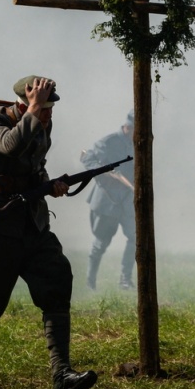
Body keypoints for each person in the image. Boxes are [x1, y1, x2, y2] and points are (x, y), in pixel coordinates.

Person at [0, 76, 97, 389]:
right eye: (43, 109)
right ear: (24, 105)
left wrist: (50, 185)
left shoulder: (40, 125)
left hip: (31, 221)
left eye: (50, 110)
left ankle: (62, 374)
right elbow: (11, 145)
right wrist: (34, 111)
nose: (48, 117)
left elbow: (32, 166)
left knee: (56, 280)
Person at [82, 111, 135, 291]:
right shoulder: (109, 141)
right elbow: (88, 158)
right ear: (128, 127)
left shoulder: (141, 143)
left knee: (136, 238)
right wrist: (105, 172)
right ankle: (90, 283)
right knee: (100, 244)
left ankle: (125, 280)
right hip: (107, 202)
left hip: (129, 201)